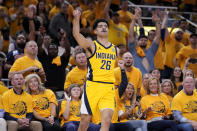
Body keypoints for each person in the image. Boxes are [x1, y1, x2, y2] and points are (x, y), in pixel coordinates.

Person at [73, 8, 118, 131]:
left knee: (107, 121)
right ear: (95, 31)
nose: (104, 28)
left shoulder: (115, 49)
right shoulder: (91, 45)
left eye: (105, 26)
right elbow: (76, 35)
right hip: (93, 86)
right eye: (100, 26)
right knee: (85, 119)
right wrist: (76, 19)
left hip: (108, 87)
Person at [128, 8, 161, 75]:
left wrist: (157, 22)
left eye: (145, 40)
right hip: (136, 79)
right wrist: (134, 20)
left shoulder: (151, 50)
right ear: (137, 42)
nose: (143, 41)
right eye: (141, 40)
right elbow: (130, 35)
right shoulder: (133, 50)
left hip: (150, 80)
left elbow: (157, 36)